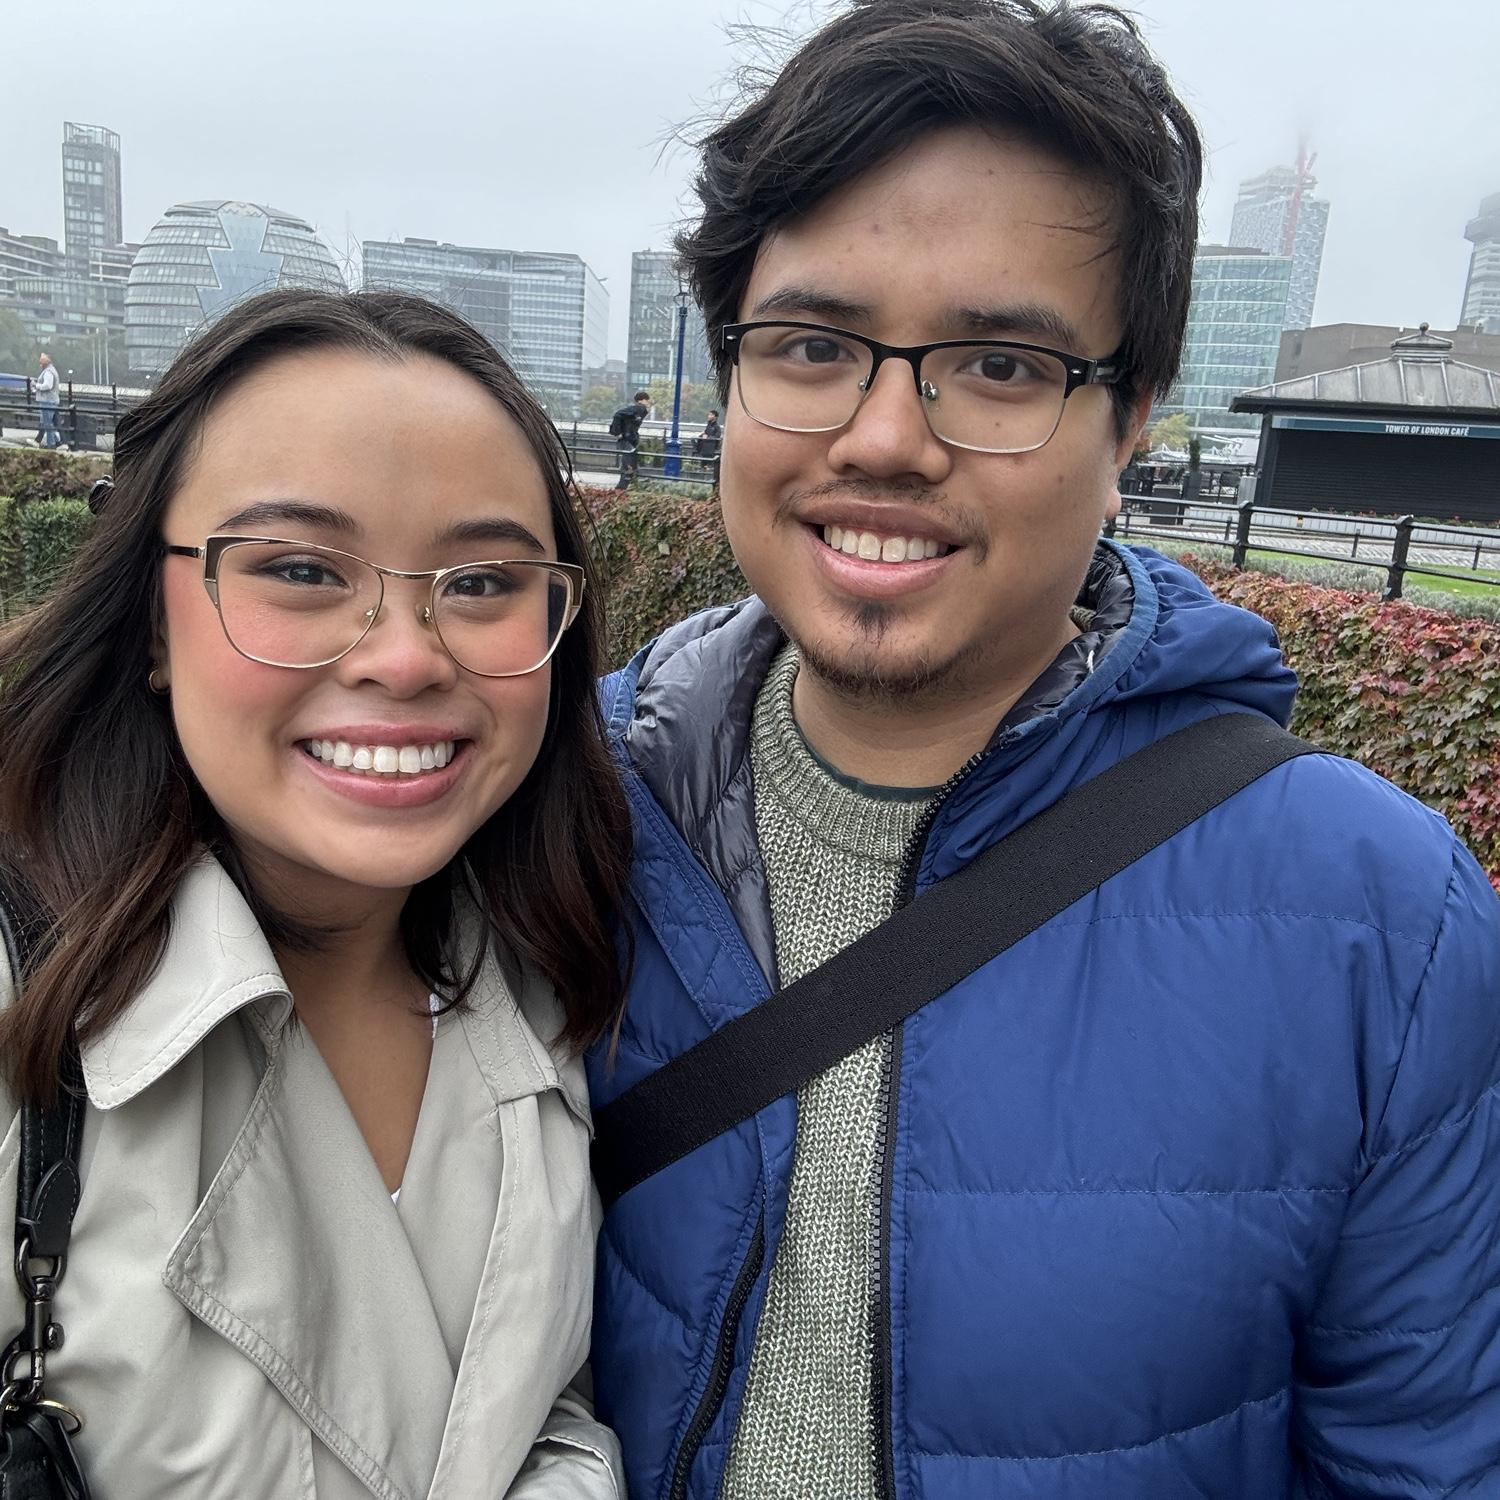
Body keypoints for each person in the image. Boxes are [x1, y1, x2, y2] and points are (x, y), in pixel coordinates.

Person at [584, 3, 1500, 1498]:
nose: (886, 438)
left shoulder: (1383, 924)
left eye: (1001, 366)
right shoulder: (557, 818)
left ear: (1128, 421)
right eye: (811, 346)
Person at [0, 289, 631, 1497]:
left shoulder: (558, 961)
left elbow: (529, 1401)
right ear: (152, 621)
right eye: (298, 569)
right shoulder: (26, 988)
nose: (405, 656)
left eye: (482, 582)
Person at [611, 389, 650, 490]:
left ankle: (626, 485)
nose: (648, 402)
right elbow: (618, 414)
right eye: (646, 399)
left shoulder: (641, 410)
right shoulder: (637, 409)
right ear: (640, 400)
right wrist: (618, 432)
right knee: (629, 461)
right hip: (626, 438)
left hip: (630, 438)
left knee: (630, 461)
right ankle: (622, 487)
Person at [30, 352, 60, 448]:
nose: (40, 362)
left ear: (46, 361)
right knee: (47, 423)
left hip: (47, 401)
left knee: (47, 424)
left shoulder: (48, 372)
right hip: (50, 400)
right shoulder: (51, 370)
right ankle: (57, 442)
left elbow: (48, 385)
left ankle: (51, 445)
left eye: (41, 360)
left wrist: (36, 385)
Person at [693, 408, 723, 489]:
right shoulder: (708, 425)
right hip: (704, 448)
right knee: (703, 464)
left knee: (709, 465)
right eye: (709, 414)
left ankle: (708, 482)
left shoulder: (717, 427)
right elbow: (705, 433)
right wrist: (702, 435)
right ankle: (702, 481)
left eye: (710, 415)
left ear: (715, 417)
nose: (708, 416)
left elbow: (717, 437)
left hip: (710, 449)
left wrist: (708, 437)